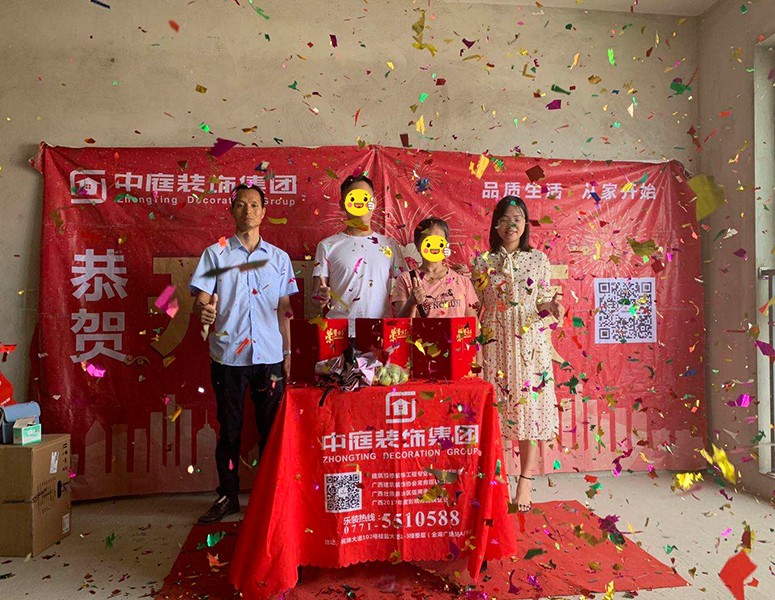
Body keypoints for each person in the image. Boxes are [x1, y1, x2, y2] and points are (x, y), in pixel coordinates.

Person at [190, 183, 298, 524]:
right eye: (240, 204)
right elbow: (200, 300)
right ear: (231, 210)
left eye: (254, 205)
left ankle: (270, 497)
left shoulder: (278, 258)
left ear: (264, 212)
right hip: (228, 357)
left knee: (272, 430)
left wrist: (287, 352)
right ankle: (228, 495)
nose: (247, 210)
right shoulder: (216, 254)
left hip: (270, 356)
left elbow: (284, 308)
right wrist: (204, 311)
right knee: (230, 430)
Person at [473, 195, 563, 513]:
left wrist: (551, 307)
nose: (511, 225)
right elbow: (474, 303)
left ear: (525, 225)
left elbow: (542, 302)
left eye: (518, 219)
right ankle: (497, 481)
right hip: (494, 340)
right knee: (496, 411)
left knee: (529, 411)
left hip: (529, 343)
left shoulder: (538, 260)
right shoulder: (482, 262)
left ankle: (525, 481)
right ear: (495, 224)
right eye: (505, 219)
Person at [311, 174, 405, 329]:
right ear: (342, 205)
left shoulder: (390, 245)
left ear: (374, 203)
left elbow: (405, 288)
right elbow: (315, 298)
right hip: (339, 331)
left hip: (379, 331)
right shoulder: (327, 246)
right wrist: (320, 297)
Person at [391, 217, 479, 320]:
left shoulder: (462, 279)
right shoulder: (405, 279)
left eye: (439, 240)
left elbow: (474, 324)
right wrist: (411, 303)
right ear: (418, 245)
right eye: (429, 241)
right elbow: (400, 325)